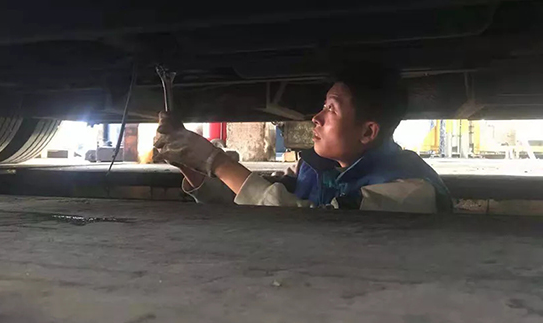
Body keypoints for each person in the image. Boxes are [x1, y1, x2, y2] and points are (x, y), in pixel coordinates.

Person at [154, 66, 452, 213]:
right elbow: (253, 203)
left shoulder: (411, 190)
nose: (316, 118)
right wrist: (191, 165)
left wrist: (216, 161)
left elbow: (315, 225)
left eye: (331, 109)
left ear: (367, 132)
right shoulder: (313, 167)